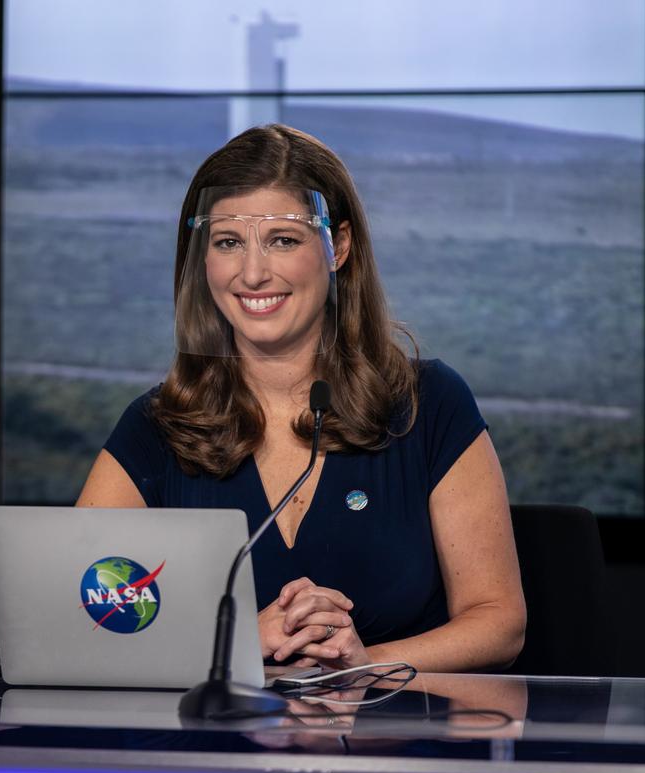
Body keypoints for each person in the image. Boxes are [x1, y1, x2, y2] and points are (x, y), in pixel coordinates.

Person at [78, 124, 525, 674]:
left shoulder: (429, 404)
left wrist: (362, 664)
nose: (253, 273)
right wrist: (238, 641)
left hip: (394, 725)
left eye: (283, 240)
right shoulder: (156, 427)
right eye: (228, 242)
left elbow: (498, 622)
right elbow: (81, 624)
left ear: (338, 246)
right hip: (219, 732)